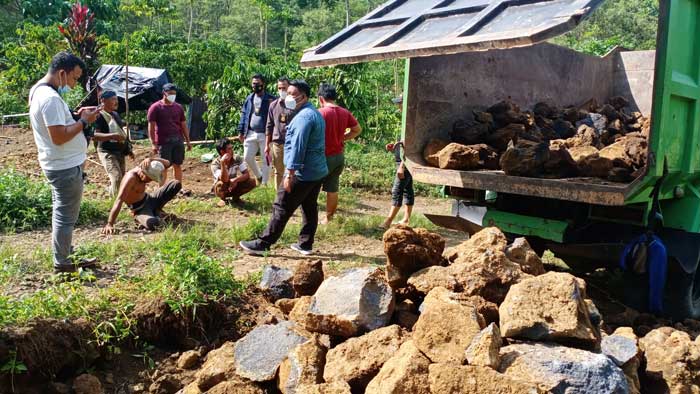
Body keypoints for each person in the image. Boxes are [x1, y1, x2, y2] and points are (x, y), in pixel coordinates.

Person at [28, 51, 101, 273]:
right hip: (64, 167)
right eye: (74, 78)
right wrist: (83, 121)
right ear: (62, 73)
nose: (74, 83)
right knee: (65, 216)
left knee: (62, 213)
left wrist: (74, 115)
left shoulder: (39, 91)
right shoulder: (49, 99)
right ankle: (63, 261)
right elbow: (58, 137)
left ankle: (66, 252)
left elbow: (55, 123)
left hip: (59, 163)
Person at [239, 79, 328, 256]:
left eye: (293, 95)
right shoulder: (314, 113)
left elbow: (298, 147)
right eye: (288, 93)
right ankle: (305, 244)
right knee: (309, 207)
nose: (289, 97)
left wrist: (289, 174)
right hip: (317, 171)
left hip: (302, 172)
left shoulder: (303, 118)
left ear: (304, 97)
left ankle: (263, 243)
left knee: (281, 205)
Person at [317, 83, 362, 224]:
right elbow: (357, 129)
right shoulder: (344, 112)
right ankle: (328, 218)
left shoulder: (320, 113)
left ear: (320, 98)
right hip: (338, 156)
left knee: (312, 187)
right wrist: (342, 137)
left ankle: (311, 217)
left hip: (323, 157)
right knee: (332, 189)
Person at [101, 158, 181, 234]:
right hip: (140, 209)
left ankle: (157, 211)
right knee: (153, 224)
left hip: (150, 198)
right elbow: (119, 200)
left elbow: (168, 163)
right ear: (143, 172)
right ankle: (150, 215)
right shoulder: (130, 178)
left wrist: (151, 159)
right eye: (149, 178)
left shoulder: (145, 165)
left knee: (175, 184)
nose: (149, 181)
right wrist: (110, 224)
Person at [147, 83, 191, 189]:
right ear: (164, 93)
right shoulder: (155, 107)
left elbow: (183, 125)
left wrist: (188, 141)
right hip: (163, 142)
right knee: (164, 167)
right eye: (170, 93)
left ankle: (177, 188)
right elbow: (151, 127)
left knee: (177, 165)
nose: (173, 96)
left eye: (174, 93)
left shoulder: (179, 107)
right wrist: (153, 143)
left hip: (178, 141)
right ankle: (161, 190)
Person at [93, 90, 134, 197]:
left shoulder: (115, 114)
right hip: (107, 151)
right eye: (113, 99)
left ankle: (114, 197)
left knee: (122, 178)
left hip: (119, 151)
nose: (116, 102)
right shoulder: (98, 116)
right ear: (103, 101)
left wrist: (128, 149)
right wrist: (112, 136)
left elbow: (121, 133)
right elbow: (95, 136)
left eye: (116, 99)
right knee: (116, 177)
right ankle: (115, 202)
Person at [237, 73, 276, 186]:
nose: (255, 86)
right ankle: (259, 175)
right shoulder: (249, 98)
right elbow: (244, 114)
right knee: (247, 157)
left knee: (266, 159)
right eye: (253, 83)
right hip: (250, 132)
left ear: (263, 84)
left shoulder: (270, 99)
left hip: (265, 133)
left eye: (257, 84)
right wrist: (241, 131)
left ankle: (264, 183)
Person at [382, 95, 413, 228]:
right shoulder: (407, 120)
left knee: (397, 190)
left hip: (405, 163)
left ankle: (387, 221)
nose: (398, 107)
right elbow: (404, 144)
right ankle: (406, 219)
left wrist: (402, 166)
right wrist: (394, 146)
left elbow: (410, 147)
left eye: (400, 104)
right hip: (404, 161)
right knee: (407, 190)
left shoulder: (410, 122)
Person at [211, 138, 257, 206]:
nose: (232, 150)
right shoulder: (215, 164)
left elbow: (246, 174)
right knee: (221, 184)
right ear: (222, 152)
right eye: (229, 149)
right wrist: (223, 163)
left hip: (233, 186)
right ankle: (223, 199)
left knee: (252, 182)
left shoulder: (237, 158)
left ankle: (236, 198)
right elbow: (224, 179)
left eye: (232, 148)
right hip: (222, 188)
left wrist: (236, 180)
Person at [265, 77, 292, 189]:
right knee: (278, 171)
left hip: (292, 143)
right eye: (279, 88)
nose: (282, 90)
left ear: (289, 88)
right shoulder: (273, 105)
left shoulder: (295, 104)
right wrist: (267, 145)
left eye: (284, 88)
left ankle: (292, 196)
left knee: (292, 171)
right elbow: (269, 126)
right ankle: (279, 198)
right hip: (278, 143)